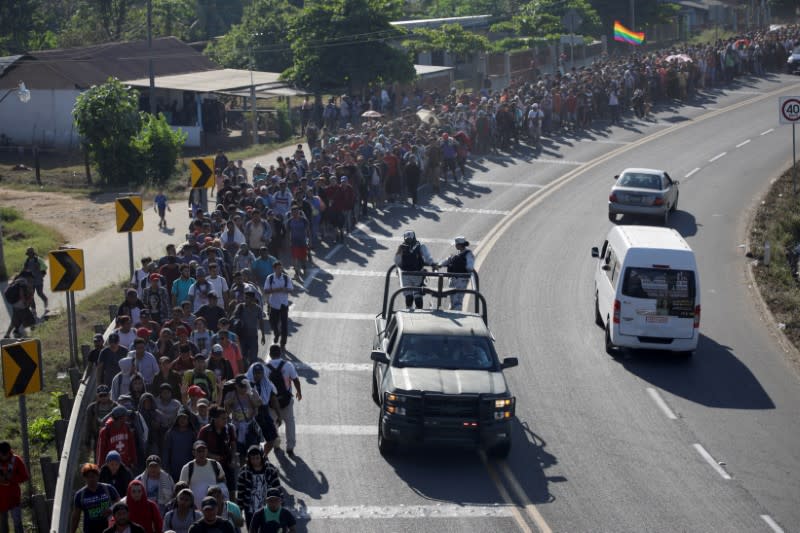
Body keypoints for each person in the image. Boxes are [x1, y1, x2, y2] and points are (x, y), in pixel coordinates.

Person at [266, 344, 302, 458]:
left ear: (270, 354)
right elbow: (295, 379)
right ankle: (290, 447)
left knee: (273, 423)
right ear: (280, 353)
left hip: (272, 401)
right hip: (286, 400)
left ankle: (276, 443)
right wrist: (299, 392)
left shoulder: (265, 367)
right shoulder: (288, 365)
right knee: (290, 422)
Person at [236, 445, 282, 527]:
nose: (255, 461)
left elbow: (277, 488)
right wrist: (239, 509)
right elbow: (240, 492)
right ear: (249, 459)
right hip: (250, 509)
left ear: (261, 457)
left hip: (268, 507)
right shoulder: (244, 472)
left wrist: (281, 505)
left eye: (257, 458)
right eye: (252, 458)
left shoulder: (270, 469)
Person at [70, 463, 120, 533]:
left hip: (110, 529)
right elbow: (76, 517)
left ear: (98, 476)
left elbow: (120, 504)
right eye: (88, 477)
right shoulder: (80, 495)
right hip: (90, 530)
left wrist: (111, 509)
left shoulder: (108, 488)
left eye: (93, 476)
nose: (91, 479)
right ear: (84, 478)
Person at [197, 407, 236, 495]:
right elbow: (198, 448)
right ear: (215, 419)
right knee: (212, 491)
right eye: (223, 418)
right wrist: (210, 455)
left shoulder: (229, 428)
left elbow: (233, 445)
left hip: (227, 464)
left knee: (231, 490)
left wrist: (233, 458)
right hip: (210, 465)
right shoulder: (205, 430)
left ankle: (232, 508)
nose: (225, 420)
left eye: (226, 418)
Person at [179, 441, 226, 512]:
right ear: (193, 453)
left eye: (203, 451)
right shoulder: (187, 468)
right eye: (199, 451)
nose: (201, 453)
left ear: (207, 451)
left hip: (213, 510)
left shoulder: (215, 465)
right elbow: (182, 490)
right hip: (194, 511)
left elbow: (223, 484)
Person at [394, 230, 433, 309]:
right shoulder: (420, 246)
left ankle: (409, 310)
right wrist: (433, 264)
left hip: (404, 274)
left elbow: (397, 260)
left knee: (408, 294)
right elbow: (428, 258)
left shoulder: (401, 247)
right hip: (417, 274)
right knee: (417, 294)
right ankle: (419, 310)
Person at [437, 236, 475, 311]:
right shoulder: (458, 254)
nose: (455, 246)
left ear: (460, 245)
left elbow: (469, 267)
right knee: (453, 299)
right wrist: (439, 265)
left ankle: (457, 314)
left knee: (457, 301)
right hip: (455, 279)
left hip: (461, 280)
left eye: (456, 244)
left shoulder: (468, 254)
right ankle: (453, 311)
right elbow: (447, 260)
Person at [229, 288, 266, 365]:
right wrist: (237, 321)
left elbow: (261, 322)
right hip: (242, 336)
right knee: (242, 357)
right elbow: (232, 318)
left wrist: (263, 335)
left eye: (247, 298)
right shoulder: (240, 307)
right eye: (245, 297)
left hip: (253, 336)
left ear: (253, 299)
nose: (245, 299)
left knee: (254, 358)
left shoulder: (258, 308)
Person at [263, 262, 293, 350]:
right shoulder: (270, 278)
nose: (280, 270)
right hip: (274, 304)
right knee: (273, 322)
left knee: (284, 325)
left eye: (281, 268)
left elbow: (291, 290)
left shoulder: (286, 278)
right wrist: (276, 290)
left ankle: (283, 343)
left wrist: (285, 289)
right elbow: (266, 291)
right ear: (274, 269)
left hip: (284, 304)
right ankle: (276, 333)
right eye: (278, 268)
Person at [0, 442, 29, 533]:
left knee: (17, 522)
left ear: (9, 452)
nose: (4, 456)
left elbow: (25, 476)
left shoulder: (16, 460)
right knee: (2, 524)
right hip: (0, 499)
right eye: (2, 454)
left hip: (14, 498)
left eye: (6, 454)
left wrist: (12, 478)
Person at [22, 247, 48, 313]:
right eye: (29, 253)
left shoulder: (38, 260)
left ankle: (45, 300)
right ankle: (33, 310)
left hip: (38, 280)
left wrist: (41, 274)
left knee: (40, 293)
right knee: (31, 296)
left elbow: (45, 267)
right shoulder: (27, 262)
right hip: (30, 282)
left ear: (33, 253)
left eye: (31, 253)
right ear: (27, 254)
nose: (30, 255)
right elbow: (24, 270)